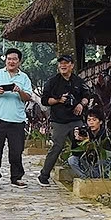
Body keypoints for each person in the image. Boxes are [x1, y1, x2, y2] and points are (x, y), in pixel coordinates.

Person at [38, 53, 91, 185]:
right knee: (57, 147)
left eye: (66, 63)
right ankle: (44, 175)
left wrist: (81, 104)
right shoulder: (52, 82)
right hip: (59, 121)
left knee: (82, 143)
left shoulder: (78, 81)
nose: (63, 65)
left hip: (76, 119)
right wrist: (58, 100)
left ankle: (85, 173)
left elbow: (87, 95)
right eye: (61, 63)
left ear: (72, 65)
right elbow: (44, 100)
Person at [0, 48, 33, 187]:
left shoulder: (24, 78)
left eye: (14, 59)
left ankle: (16, 177)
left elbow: (28, 97)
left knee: (16, 151)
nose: (11, 61)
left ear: (19, 61)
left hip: (17, 121)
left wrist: (19, 91)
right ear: (5, 60)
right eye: (9, 59)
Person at [68, 108, 111, 178]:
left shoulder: (106, 134)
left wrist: (89, 141)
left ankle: (101, 178)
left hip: (100, 164)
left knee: (104, 160)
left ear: (100, 122)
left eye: (94, 120)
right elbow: (75, 153)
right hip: (88, 162)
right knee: (72, 160)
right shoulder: (85, 132)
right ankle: (85, 178)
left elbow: (106, 152)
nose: (91, 122)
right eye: (89, 120)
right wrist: (76, 140)